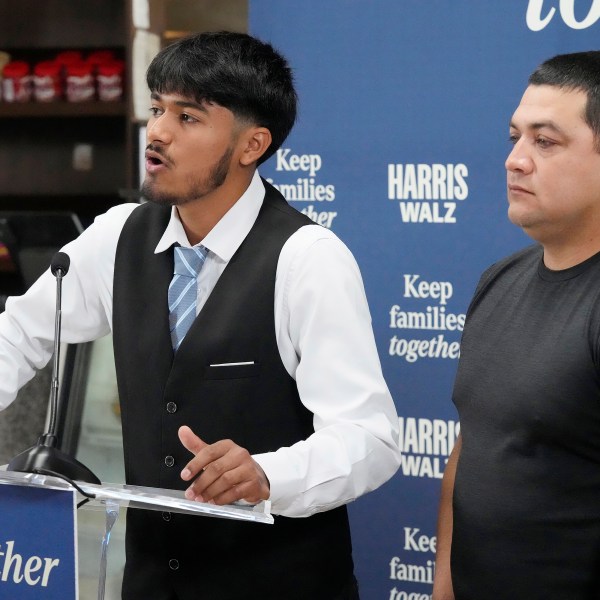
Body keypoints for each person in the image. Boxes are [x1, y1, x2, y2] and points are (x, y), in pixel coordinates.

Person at [0, 32, 401, 599]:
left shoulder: (308, 259)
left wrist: (268, 474)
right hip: (147, 581)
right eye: (158, 108)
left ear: (251, 144)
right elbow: (17, 334)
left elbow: (371, 439)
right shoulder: (118, 234)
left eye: (188, 117)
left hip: (278, 584)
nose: (158, 132)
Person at [433, 50, 600, 599]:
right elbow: (472, 447)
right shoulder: (498, 280)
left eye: (545, 142)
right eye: (515, 138)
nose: (515, 160)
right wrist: (444, 584)